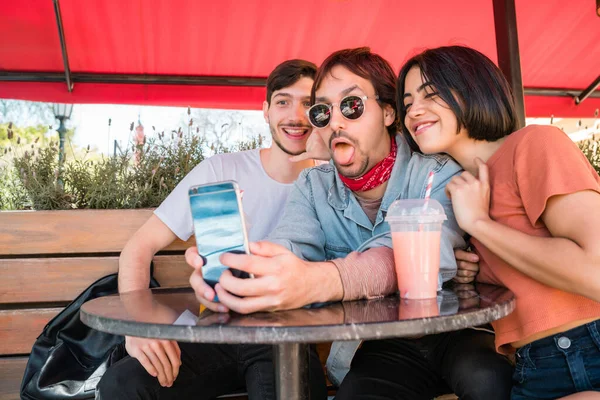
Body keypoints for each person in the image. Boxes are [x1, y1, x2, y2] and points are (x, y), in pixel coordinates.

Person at [187, 47, 513, 400]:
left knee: (489, 381)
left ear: (389, 112)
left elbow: (407, 253)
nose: (336, 123)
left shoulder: (437, 172)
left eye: (351, 106)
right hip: (386, 347)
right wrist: (243, 272)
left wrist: (323, 280)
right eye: (323, 112)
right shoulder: (313, 186)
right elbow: (290, 246)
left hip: (458, 332)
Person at [96, 59, 328, 400]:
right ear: (265, 110)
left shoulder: (332, 182)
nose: (295, 115)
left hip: (286, 338)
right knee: (120, 386)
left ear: (321, 112)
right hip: (214, 333)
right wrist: (138, 328)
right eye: (283, 101)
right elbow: (138, 248)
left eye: (308, 104)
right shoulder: (220, 170)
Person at [398, 45, 600, 399]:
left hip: (588, 349)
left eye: (431, 94)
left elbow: (596, 271)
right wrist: (471, 274)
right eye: (407, 101)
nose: (414, 110)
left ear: (474, 88)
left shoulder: (535, 144)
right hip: (529, 366)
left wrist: (481, 225)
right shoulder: (456, 190)